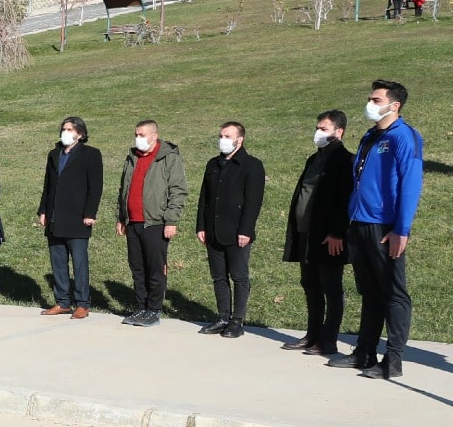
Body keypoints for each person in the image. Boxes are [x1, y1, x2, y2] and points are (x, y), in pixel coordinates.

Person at [330, 80, 423, 379]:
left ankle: (392, 360)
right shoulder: (370, 136)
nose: (369, 103)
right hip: (359, 223)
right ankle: (364, 352)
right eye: (370, 97)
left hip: (385, 227)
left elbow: (410, 184)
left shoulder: (404, 136)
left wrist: (401, 228)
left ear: (394, 105)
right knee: (369, 292)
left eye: (375, 98)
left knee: (393, 293)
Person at [282, 111, 353, 356]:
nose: (318, 133)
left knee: (331, 288)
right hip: (306, 235)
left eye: (324, 129)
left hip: (328, 238)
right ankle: (312, 334)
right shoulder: (314, 159)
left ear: (338, 132)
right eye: (317, 128)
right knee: (310, 285)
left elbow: (346, 200)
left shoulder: (344, 160)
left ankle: (328, 340)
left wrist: (337, 233)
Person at [194, 123, 266, 337]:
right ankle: (223, 316)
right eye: (221, 135)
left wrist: (246, 230)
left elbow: (253, 202)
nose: (222, 139)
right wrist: (201, 226)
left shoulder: (252, 165)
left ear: (240, 139)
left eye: (227, 136)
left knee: (239, 276)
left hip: (237, 233)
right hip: (213, 230)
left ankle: (237, 320)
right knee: (218, 277)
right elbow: (204, 198)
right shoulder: (213, 164)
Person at [115, 120, 187, 328]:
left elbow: (178, 190)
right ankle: (141, 307)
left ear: (154, 136)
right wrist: (121, 217)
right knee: (137, 267)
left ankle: (154, 310)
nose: (138, 138)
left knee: (155, 268)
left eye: (142, 134)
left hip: (155, 222)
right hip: (133, 222)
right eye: (136, 134)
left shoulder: (168, 157)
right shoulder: (132, 158)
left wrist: (171, 220)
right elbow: (124, 189)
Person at [37, 117, 104, 319]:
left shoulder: (91, 154)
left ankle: (82, 303)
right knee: (58, 262)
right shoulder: (54, 154)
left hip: (77, 218)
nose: (65, 132)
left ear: (80, 134)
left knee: (79, 263)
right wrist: (43, 211)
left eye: (69, 129)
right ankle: (63, 302)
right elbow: (48, 185)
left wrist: (90, 213)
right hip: (55, 217)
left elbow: (96, 187)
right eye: (63, 129)